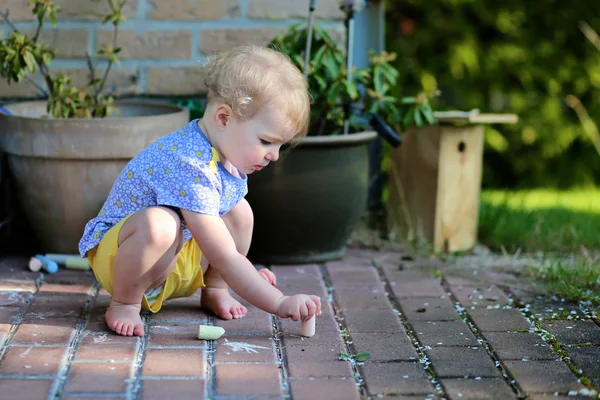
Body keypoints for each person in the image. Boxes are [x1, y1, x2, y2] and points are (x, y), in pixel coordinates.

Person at [78, 44, 321, 337]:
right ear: (223, 118)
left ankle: (215, 288)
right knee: (160, 224)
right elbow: (225, 255)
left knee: (239, 212)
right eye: (266, 141)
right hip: (122, 259)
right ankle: (123, 303)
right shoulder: (191, 163)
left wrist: (240, 277)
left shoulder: (223, 153)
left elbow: (222, 247)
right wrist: (278, 301)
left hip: (171, 259)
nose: (274, 155)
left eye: (281, 145)